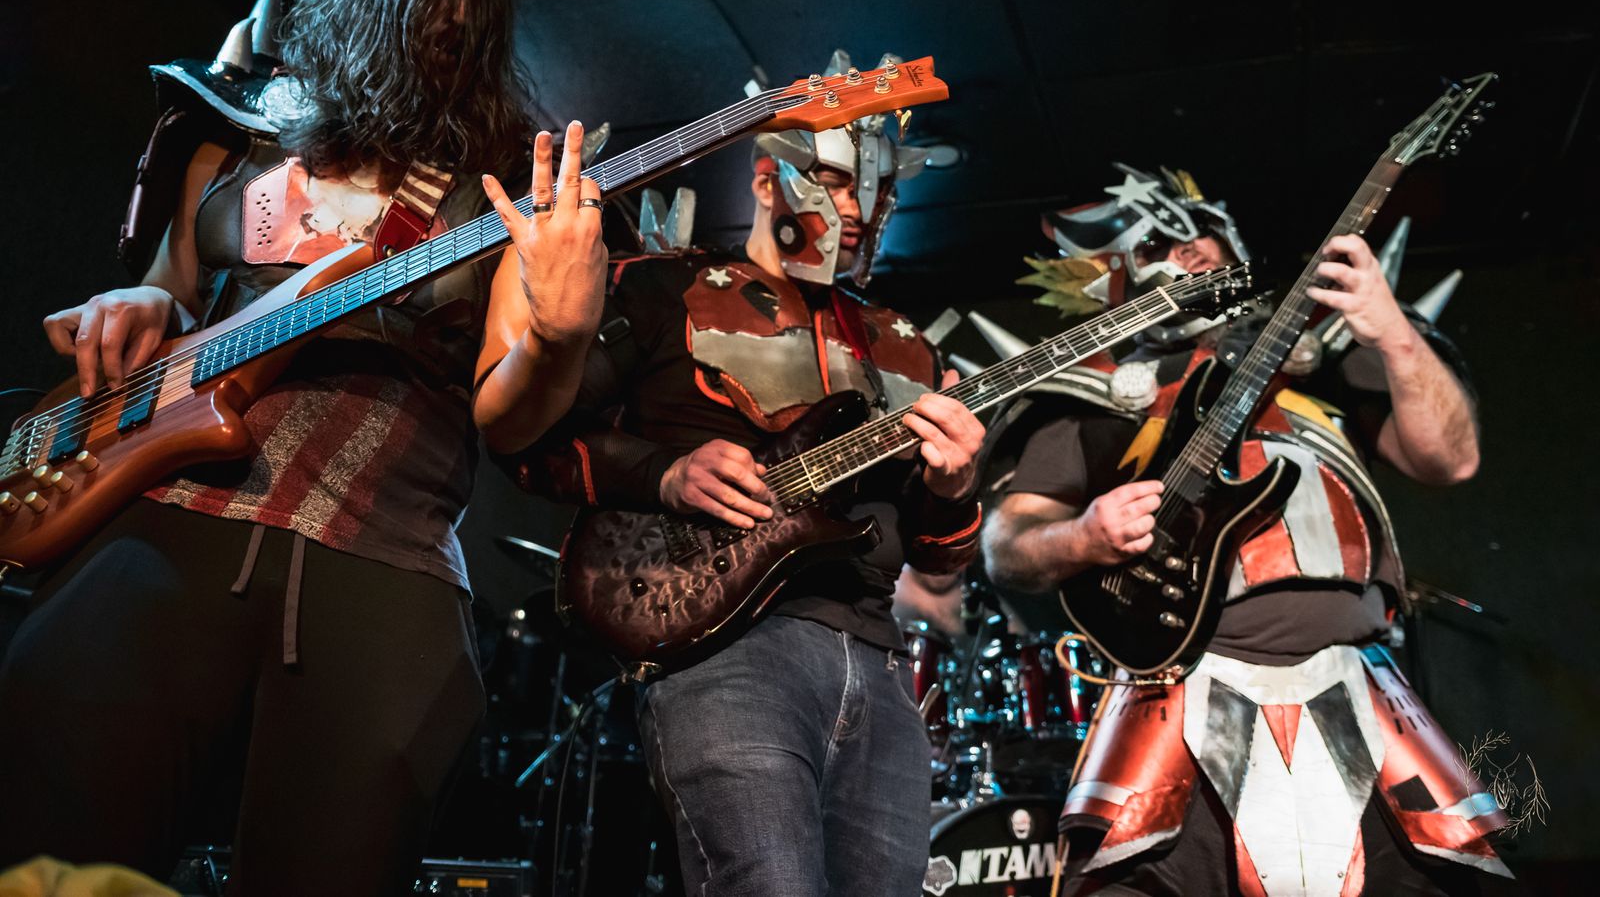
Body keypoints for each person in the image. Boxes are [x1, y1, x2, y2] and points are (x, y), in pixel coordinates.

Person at [0, 0, 607, 895]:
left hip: (382, 548)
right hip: (168, 506)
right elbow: (172, 291)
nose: (456, 16)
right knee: (46, 815)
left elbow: (509, 412)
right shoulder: (232, 129)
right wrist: (140, 301)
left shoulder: (496, 186)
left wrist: (558, 334)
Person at [479, 52, 985, 896]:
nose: (856, 210)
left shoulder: (907, 346)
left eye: (877, 192)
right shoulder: (661, 291)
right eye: (837, 182)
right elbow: (526, 438)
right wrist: (662, 473)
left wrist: (956, 484)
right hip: (725, 647)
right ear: (765, 177)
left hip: (881, 661)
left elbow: (939, 558)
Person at [982, 166, 1512, 895]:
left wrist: (1391, 331)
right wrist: (1083, 537)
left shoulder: (1323, 362)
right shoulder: (1094, 395)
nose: (1194, 250)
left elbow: (1452, 459)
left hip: (1362, 685)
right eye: (1160, 243)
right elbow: (1006, 544)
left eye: (1204, 233)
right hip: (1172, 695)